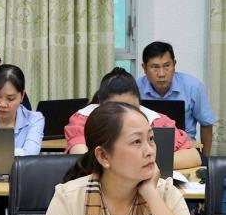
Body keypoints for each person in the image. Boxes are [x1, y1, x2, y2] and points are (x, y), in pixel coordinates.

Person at [42, 102, 206, 215]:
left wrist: (151, 194)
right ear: (103, 156)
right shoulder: (68, 198)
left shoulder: (165, 192)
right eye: (136, 141)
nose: (149, 151)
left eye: (151, 139)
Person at [65, 67, 201, 170]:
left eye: (131, 107)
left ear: (139, 103)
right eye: (116, 108)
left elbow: (193, 156)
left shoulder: (157, 120)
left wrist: (143, 164)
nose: (126, 114)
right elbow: (83, 158)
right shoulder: (83, 119)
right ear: (100, 103)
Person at [137, 41, 216, 155]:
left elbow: (206, 124)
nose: (161, 74)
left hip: (184, 149)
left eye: (167, 66)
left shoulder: (193, 87)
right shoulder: (135, 89)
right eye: (154, 67)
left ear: (174, 65)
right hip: (146, 150)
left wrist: (205, 158)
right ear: (144, 68)